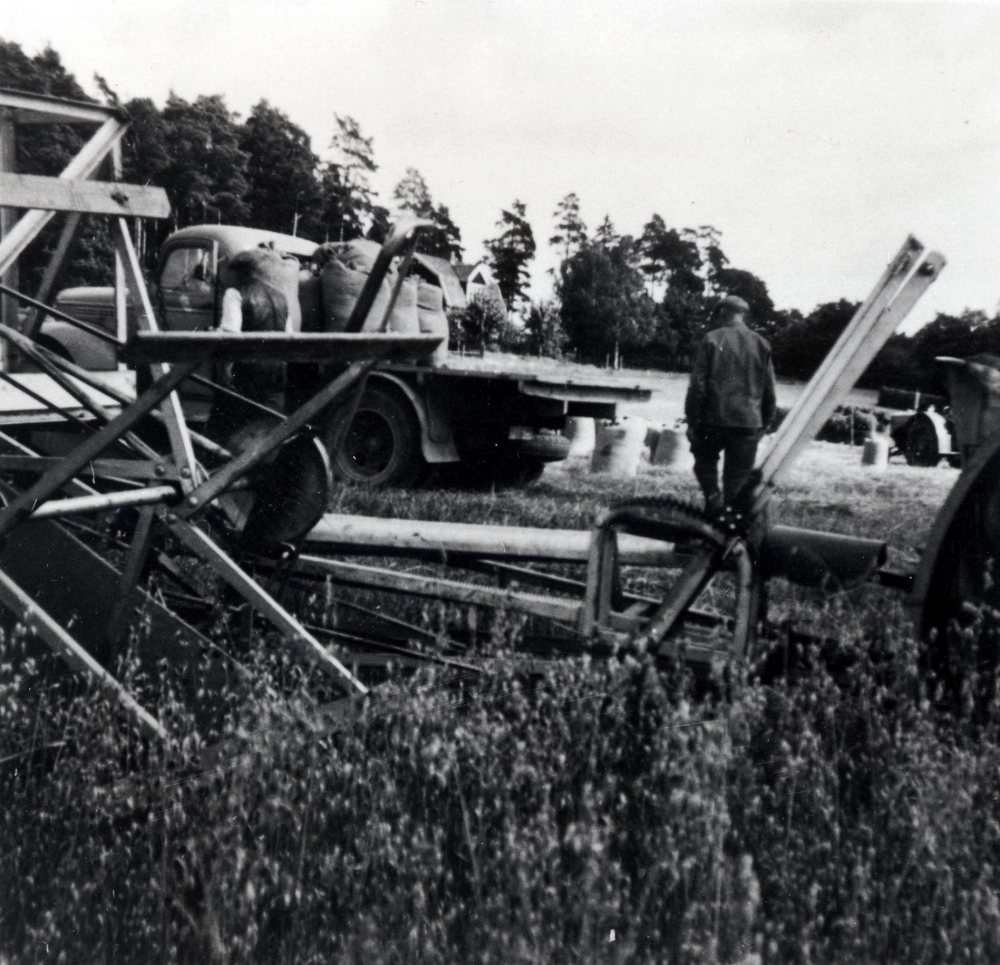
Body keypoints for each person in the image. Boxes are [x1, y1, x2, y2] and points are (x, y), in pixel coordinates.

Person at [684, 294, 777, 514]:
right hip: (747, 422)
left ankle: (713, 500)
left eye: (717, 313)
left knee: (704, 463)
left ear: (722, 312)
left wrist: (692, 421)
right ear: (743, 315)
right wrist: (765, 423)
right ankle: (729, 523)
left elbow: (697, 385)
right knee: (737, 480)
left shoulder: (712, 339)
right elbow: (769, 389)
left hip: (713, 420)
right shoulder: (761, 343)